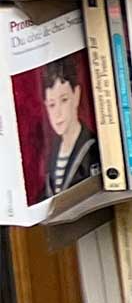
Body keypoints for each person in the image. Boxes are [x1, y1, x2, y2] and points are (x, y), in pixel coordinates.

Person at [39, 60, 98, 202]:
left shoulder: (92, 147)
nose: (58, 113)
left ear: (76, 95)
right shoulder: (50, 153)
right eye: (52, 105)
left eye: (64, 100)